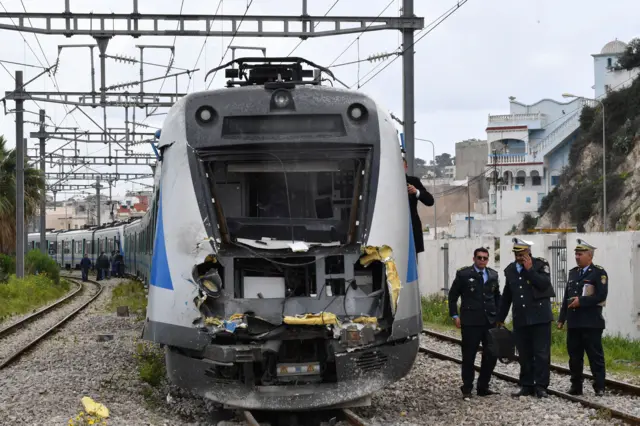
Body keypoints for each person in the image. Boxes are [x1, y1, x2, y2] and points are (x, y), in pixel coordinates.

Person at [497, 238, 555, 398]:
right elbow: (507, 295)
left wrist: (530, 270)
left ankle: (541, 386)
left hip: (540, 317)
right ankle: (526, 384)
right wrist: (500, 317)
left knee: (541, 353)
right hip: (521, 317)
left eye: (522, 253)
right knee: (524, 353)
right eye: (517, 253)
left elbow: (544, 284)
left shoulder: (540, 265)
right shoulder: (510, 270)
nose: (519, 257)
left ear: (529, 253)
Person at [448, 247, 501, 400]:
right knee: (469, 356)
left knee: (491, 354)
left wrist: (499, 316)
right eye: (479, 257)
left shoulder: (493, 275)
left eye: (485, 258)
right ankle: (467, 387)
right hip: (471, 322)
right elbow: (453, 296)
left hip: (489, 321)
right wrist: (455, 315)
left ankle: (483, 386)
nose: (482, 260)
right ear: (474, 259)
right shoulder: (464, 274)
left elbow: (497, 297)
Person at [557, 239, 608, 396]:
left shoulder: (599, 273)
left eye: (580, 254)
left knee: (595, 356)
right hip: (574, 323)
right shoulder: (573, 273)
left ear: (589, 256)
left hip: (591, 323)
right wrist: (561, 318)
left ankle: (599, 386)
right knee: (574, 357)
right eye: (576, 254)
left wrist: (582, 301)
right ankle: (576, 386)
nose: (577, 257)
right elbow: (567, 296)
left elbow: (601, 295)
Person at [403, 156, 434, 255]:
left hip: (411, 229)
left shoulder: (413, 181)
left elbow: (430, 201)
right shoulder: (387, 182)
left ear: (406, 167)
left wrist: (416, 191)